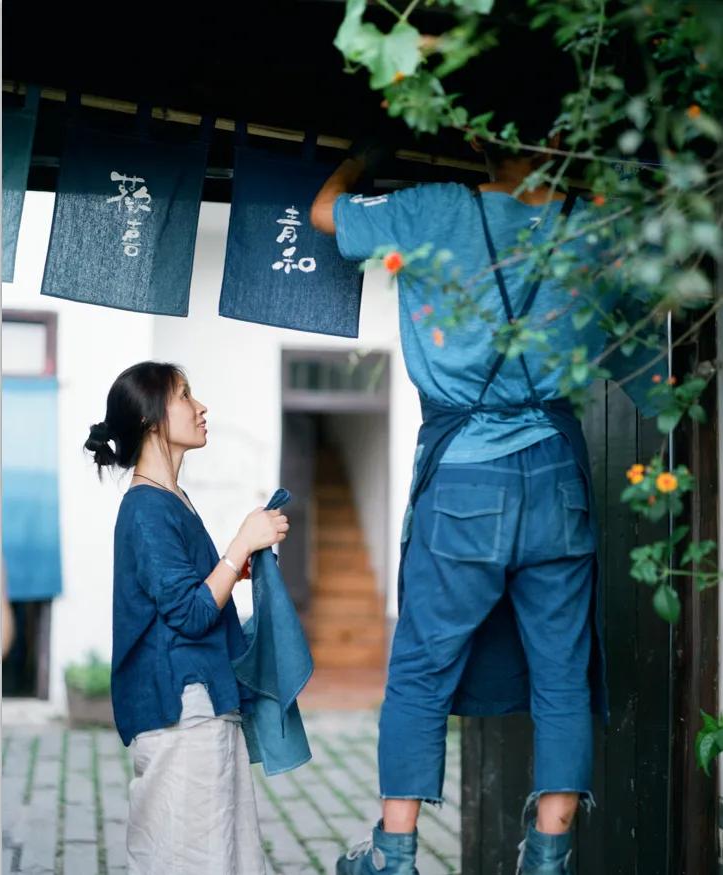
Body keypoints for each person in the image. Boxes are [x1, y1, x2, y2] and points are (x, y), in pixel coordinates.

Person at [310, 84, 663, 875]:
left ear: (477, 143)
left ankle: (392, 855)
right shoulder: (588, 227)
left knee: (419, 669)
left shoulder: (435, 210)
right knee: (561, 674)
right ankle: (548, 854)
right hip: (556, 477)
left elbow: (325, 215)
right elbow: (645, 336)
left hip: (463, 479)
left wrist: (365, 156)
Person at [84, 361, 290, 875]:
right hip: (181, 709)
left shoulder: (171, 500)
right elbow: (193, 613)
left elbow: (188, 597)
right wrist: (241, 541)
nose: (202, 408)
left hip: (198, 704)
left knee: (221, 856)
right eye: (185, 396)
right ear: (154, 418)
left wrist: (232, 571)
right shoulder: (146, 508)